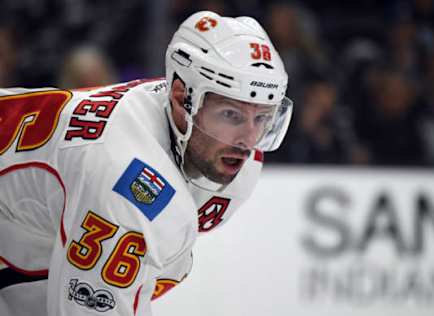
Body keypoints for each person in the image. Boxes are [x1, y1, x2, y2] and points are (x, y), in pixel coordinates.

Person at [0, 11, 292, 316]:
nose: (248, 139)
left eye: (262, 117)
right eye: (231, 114)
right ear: (181, 99)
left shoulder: (228, 151)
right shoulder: (122, 173)